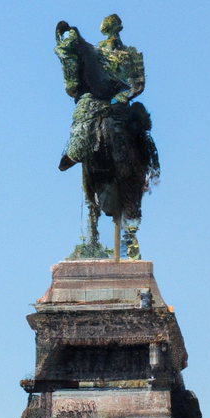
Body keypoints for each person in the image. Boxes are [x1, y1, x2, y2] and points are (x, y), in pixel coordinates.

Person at [55, 15, 159, 258]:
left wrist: (124, 96)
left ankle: (130, 232)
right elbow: (81, 78)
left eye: (114, 30)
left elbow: (138, 84)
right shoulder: (96, 51)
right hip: (96, 100)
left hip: (119, 101)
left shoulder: (131, 54)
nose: (112, 35)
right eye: (109, 31)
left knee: (133, 131)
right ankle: (76, 150)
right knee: (84, 119)